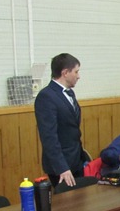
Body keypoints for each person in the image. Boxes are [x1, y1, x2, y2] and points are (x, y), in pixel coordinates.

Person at [35, 53, 88, 188]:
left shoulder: (69, 93)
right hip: (62, 165)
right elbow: (49, 137)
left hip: (76, 160)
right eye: (76, 71)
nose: (78, 76)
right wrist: (62, 168)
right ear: (65, 73)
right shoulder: (46, 96)